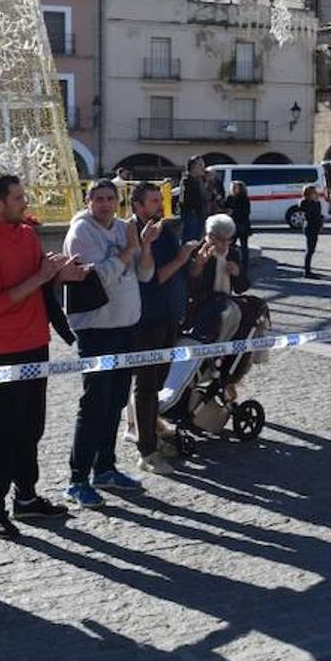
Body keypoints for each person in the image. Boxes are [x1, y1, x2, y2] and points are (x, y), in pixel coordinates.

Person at [0, 174, 83, 539]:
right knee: (2, 434)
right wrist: (42, 276)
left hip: (36, 344)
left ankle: (26, 498)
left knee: (32, 427)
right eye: (17, 197)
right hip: (3, 351)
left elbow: (40, 283)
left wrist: (62, 275)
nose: (25, 201)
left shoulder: (27, 235)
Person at [63, 180, 153, 508]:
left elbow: (143, 275)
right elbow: (97, 277)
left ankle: (105, 467)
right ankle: (77, 479)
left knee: (115, 401)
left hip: (126, 326)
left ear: (118, 201)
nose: (104, 204)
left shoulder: (123, 228)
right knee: (94, 404)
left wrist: (144, 245)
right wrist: (128, 251)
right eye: (98, 199)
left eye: (110, 198)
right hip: (97, 330)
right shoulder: (81, 233)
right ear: (88, 201)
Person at [129, 183, 198, 476]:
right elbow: (150, 278)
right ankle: (146, 450)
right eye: (154, 200)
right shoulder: (136, 233)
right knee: (146, 385)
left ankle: (150, 429)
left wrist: (196, 262)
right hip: (148, 320)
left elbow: (181, 271)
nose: (160, 205)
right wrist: (181, 258)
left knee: (156, 384)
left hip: (169, 316)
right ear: (137, 205)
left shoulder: (163, 228)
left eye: (161, 199)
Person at [178, 156, 209, 244]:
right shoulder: (187, 181)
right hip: (192, 214)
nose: (203, 167)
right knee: (190, 242)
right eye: (200, 164)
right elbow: (184, 200)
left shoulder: (201, 181)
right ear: (193, 167)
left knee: (198, 241)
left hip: (200, 214)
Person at [225, 180, 252, 273]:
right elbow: (226, 207)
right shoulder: (229, 198)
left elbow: (246, 212)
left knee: (244, 246)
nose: (233, 189)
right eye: (232, 187)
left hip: (242, 224)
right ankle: (230, 263)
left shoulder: (244, 198)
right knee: (230, 245)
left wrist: (233, 212)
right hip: (231, 224)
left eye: (235, 187)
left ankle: (244, 267)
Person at [298, 185, 324, 278]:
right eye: (314, 192)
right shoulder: (305, 202)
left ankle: (308, 270)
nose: (316, 193)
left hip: (315, 226)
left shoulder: (316, 202)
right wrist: (315, 202)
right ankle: (307, 271)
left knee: (312, 249)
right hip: (310, 227)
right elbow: (310, 213)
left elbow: (319, 214)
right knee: (310, 249)